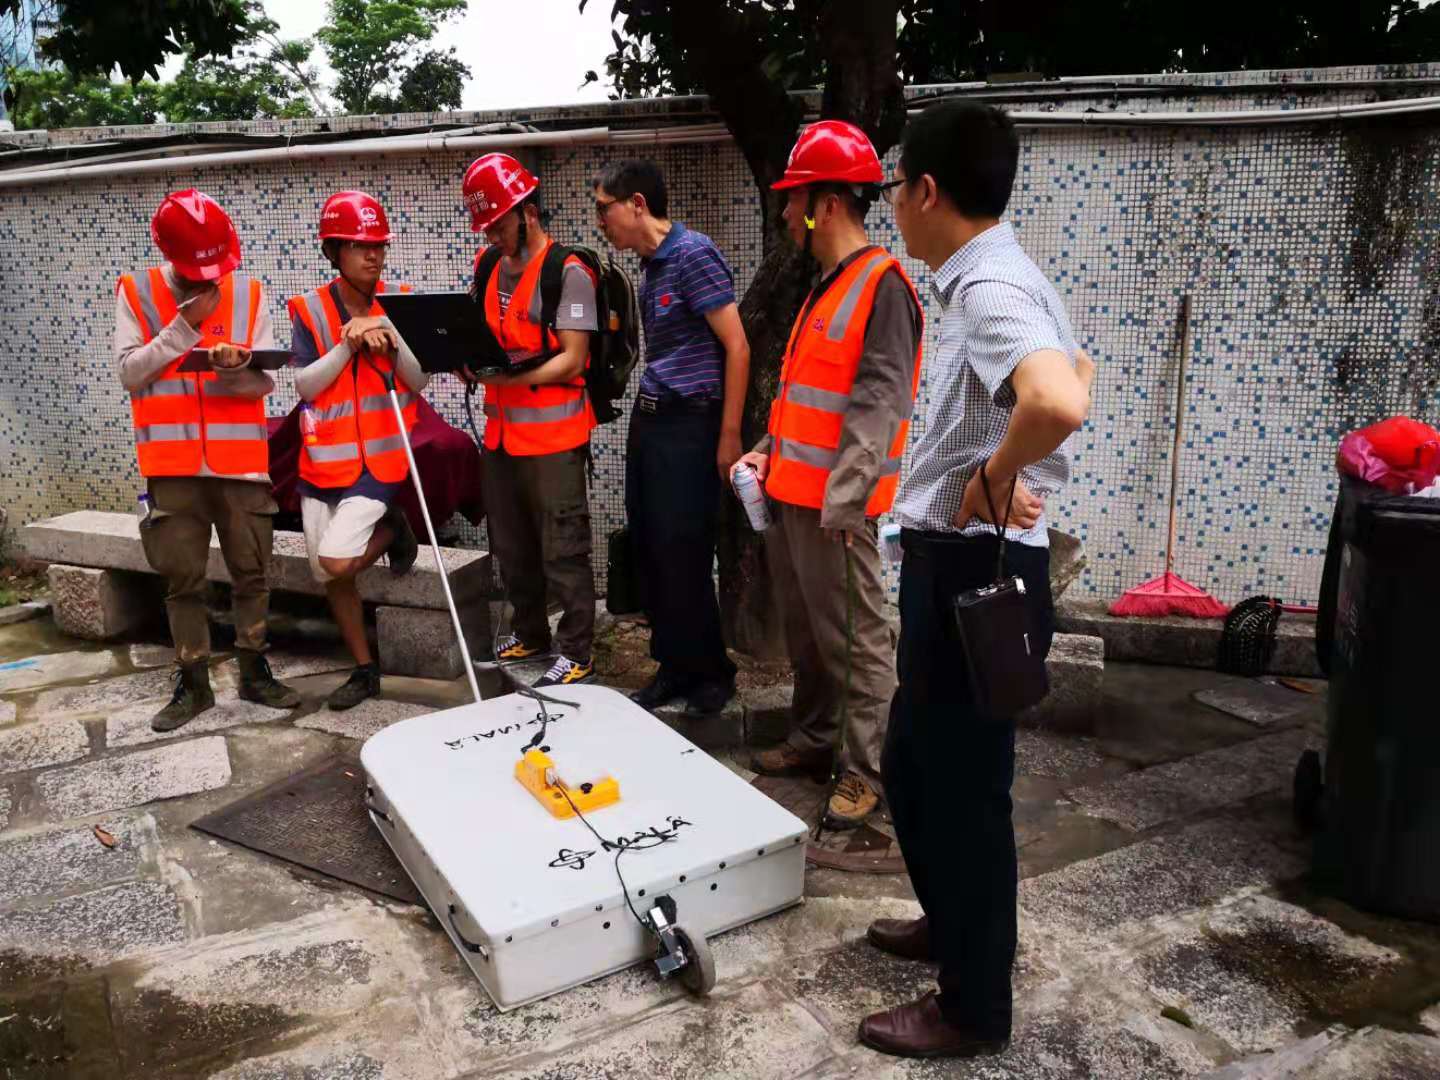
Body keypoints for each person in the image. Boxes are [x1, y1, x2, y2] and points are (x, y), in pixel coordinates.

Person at [858, 101, 1096, 1060]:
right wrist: (1019, 471)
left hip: (971, 570)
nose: (893, 210)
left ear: (925, 190)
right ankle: (954, 921)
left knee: (959, 789)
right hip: (959, 560)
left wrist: (998, 479)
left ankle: (972, 1006)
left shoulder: (990, 285)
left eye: (894, 190)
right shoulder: (1001, 277)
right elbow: (1078, 368)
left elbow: (1055, 397)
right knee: (919, 771)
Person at [736, 121, 924, 828]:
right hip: (791, 497)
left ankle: (864, 770)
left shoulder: (882, 288)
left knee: (859, 640)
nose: (787, 213)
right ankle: (815, 740)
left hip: (834, 513)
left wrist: (844, 509)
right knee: (811, 635)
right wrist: (765, 448)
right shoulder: (826, 286)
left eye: (794, 199)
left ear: (830, 203)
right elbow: (805, 399)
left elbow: (877, 408)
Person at [116, 189, 301, 733]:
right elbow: (130, 373)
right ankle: (193, 681)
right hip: (173, 467)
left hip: (240, 465)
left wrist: (233, 370)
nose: (207, 279)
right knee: (183, 580)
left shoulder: (249, 293)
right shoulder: (137, 292)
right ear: (168, 254)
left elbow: (262, 383)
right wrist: (184, 329)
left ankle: (254, 669)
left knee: (252, 573)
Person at [592, 158, 750, 714]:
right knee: (654, 548)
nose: (601, 221)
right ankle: (674, 666)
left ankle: (712, 672)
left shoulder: (692, 255)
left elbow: (737, 346)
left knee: (685, 549)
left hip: (691, 423)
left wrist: (728, 436)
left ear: (638, 203)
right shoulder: (650, 266)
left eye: (604, 208)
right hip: (653, 420)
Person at [460, 153, 599, 688]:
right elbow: (480, 333)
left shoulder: (569, 272)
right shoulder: (487, 265)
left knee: (563, 546)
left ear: (527, 212)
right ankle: (530, 633)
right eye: (486, 225)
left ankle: (577, 650)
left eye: (498, 222)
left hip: (555, 438)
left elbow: (573, 358)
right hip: (500, 435)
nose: (492, 233)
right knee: (512, 543)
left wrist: (506, 380)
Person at [288, 191, 424, 710]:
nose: (374, 255)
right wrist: (346, 344)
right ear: (334, 251)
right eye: (361, 246)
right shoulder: (310, 309)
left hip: (382, 463)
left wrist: (390, 334)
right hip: (324, 462)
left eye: (379, 246)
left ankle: (392, 528)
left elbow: (419, 380)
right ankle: (365, 670)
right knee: (328, 578)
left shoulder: (402, 300)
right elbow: (304, 386)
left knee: (337, 561)